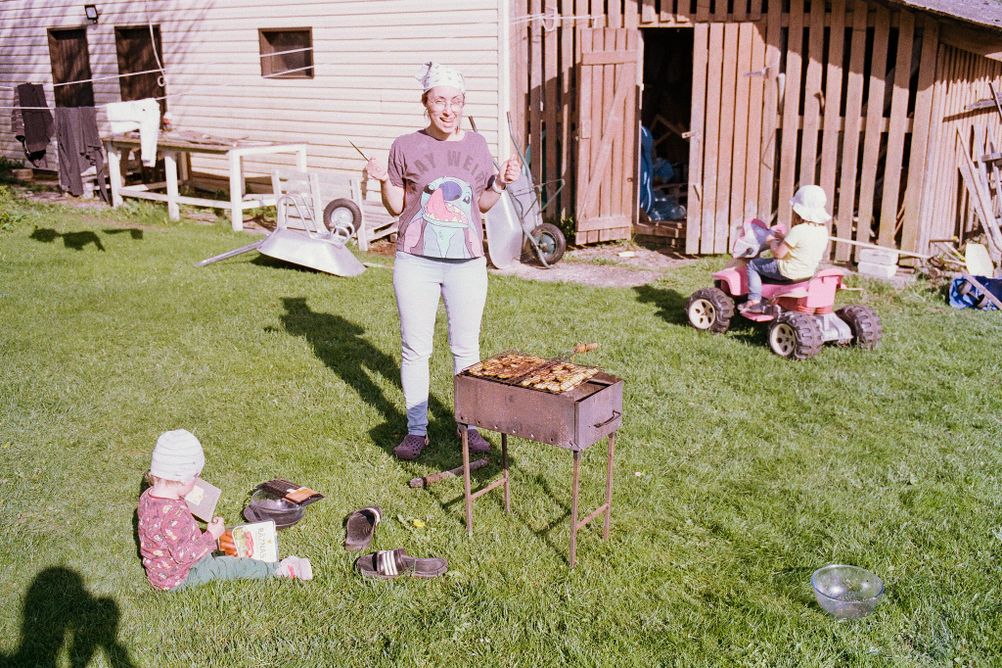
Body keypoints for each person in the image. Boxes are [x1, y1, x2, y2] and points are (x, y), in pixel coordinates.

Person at [364, 62, 521, 461]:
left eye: (455, 101)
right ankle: (417, 431)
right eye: (439, 101)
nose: (447, 109)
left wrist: (500, 183)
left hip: (466, 263)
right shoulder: (404, 145)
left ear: (463, 103)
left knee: (466, 349)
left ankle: (468, 428)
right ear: (426, 104)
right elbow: (397, 205)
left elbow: (482, 205)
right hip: (415, 262)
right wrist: (383, 178)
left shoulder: (477, 145)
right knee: (415, 349)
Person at [137, 429, 313, 590]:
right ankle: (281, 569)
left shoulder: (148, 496)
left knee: (229, 538)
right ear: (182, 479)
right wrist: (210, 535)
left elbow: (169, 536)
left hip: (161, 572)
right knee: (228, 566)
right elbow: (184, 555)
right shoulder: (173, 515)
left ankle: (245, 544)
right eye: (195, 476)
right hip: (180, 578)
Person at [741, 184, 832, 314]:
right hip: (807, 273)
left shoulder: (798, 230)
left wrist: (772, 241)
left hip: (787, 272)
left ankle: (754, 301)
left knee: (752, 265)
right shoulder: (823, 230)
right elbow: (803, 244)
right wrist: (784, 237)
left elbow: (778, 254)